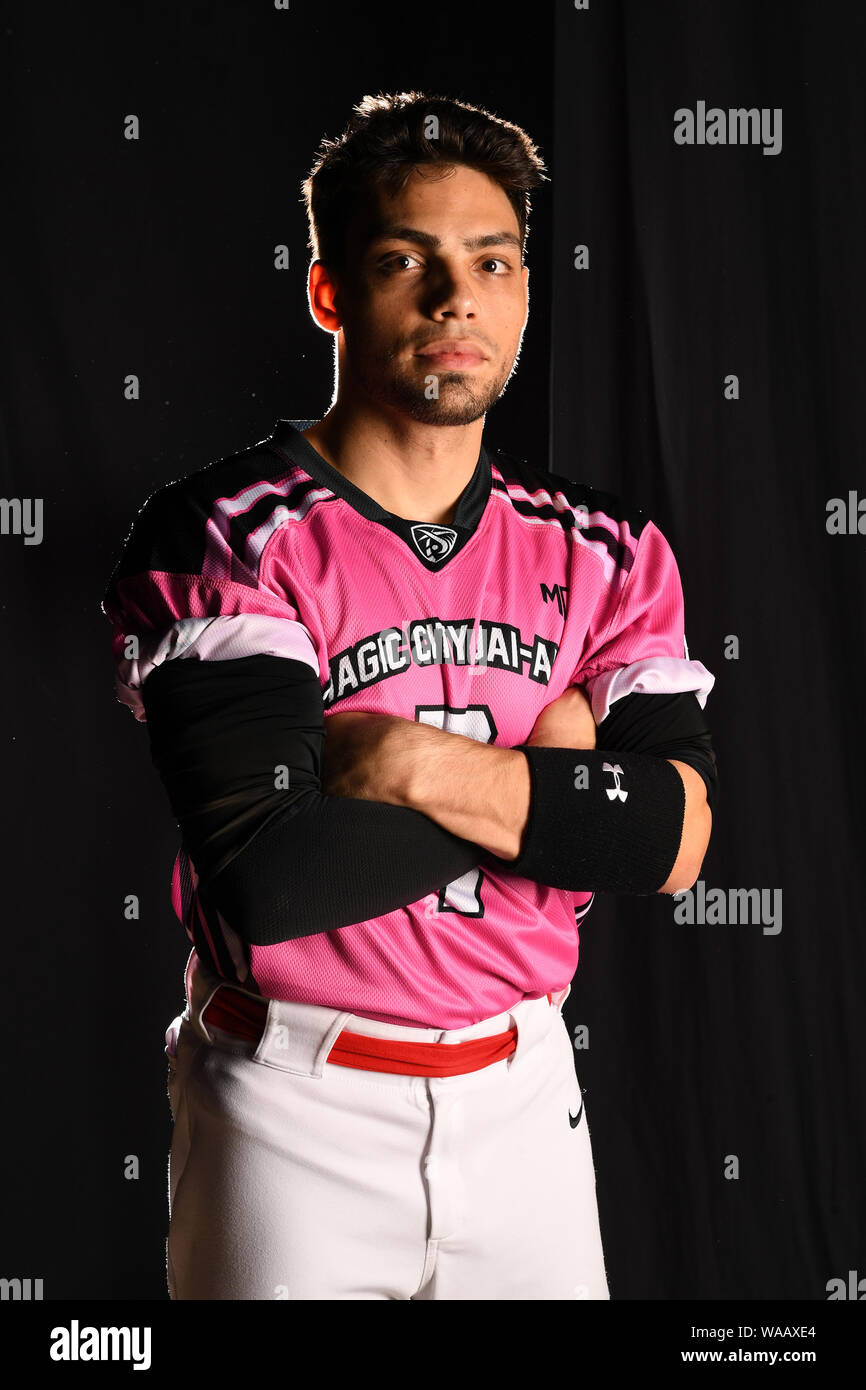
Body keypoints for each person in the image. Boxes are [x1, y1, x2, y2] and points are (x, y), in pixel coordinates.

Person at [101, 90, 719, 1301]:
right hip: (290, 1105)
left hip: (523, 1093)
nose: (456, 300)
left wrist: (401, 761)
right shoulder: (227, 532)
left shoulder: (606, 546)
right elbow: (274, 876)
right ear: (330, 292)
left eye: (491, 262)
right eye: (406, 262)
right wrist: (550, 784)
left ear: (525, 291)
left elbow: (672, 836)